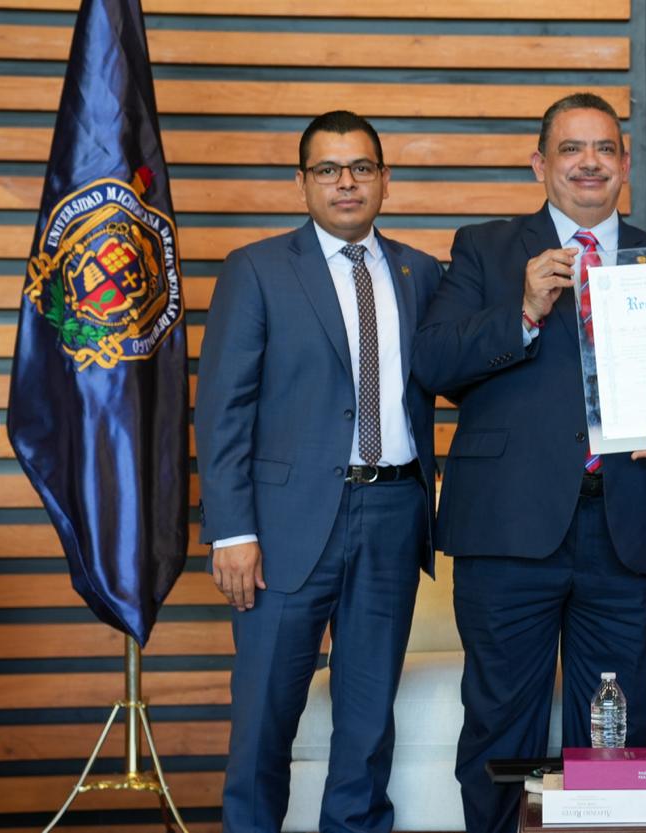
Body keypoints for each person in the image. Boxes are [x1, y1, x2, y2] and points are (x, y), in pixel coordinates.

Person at [414, 91, 646, 833]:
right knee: (499, 724)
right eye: (571, 148)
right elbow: (432, 362)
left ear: (625, 163)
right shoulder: (485, 249)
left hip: (628, 530)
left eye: (605, 148)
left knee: (617, 734)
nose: (590, 162)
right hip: (509, 530)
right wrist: (523, 309)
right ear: (540, 163)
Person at [194, 111, 442, 833]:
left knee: (367, 723)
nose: (346, 183)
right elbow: (222, 410)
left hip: (393, 515)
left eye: (361, 167)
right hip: (284, 527)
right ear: (301, 182)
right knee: (265, 719)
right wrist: (231, 531)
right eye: (328, 169)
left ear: (385, 180)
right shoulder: (257, 269)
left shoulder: (421, 273)